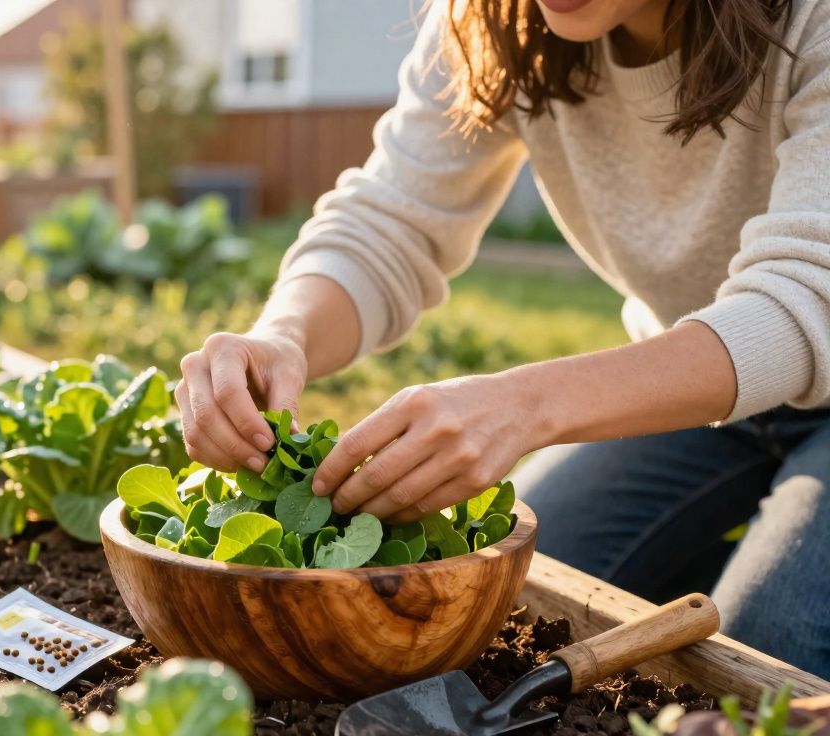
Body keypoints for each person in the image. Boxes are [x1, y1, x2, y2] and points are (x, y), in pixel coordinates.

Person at [175, 0, 830, 678]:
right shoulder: (492, 18)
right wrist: (284, 336)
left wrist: (527, 404)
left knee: (772, 649)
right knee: (518, 590)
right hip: (695, 390)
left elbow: (810, 298)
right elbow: (392, 223)